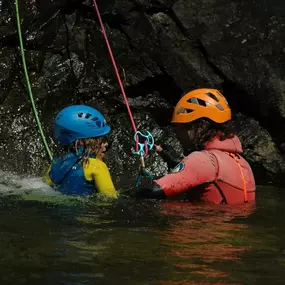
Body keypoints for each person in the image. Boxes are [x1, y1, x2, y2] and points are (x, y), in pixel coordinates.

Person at [135, 88, 256, 205]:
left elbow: (154, 190)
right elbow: (194, 173)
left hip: (202, 224)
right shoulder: (243, 164)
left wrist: (119, 196)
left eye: (180, 125)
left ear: (199, 127)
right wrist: (163, 153)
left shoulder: (203, 160)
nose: (175, 131)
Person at [42, 105, 119, 199]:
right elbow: (111, 198)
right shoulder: (97, 167)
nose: (105, 144)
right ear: (82, 141)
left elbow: (44, 187)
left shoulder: (55, 164)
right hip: (85, 213)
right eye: (100, 139)